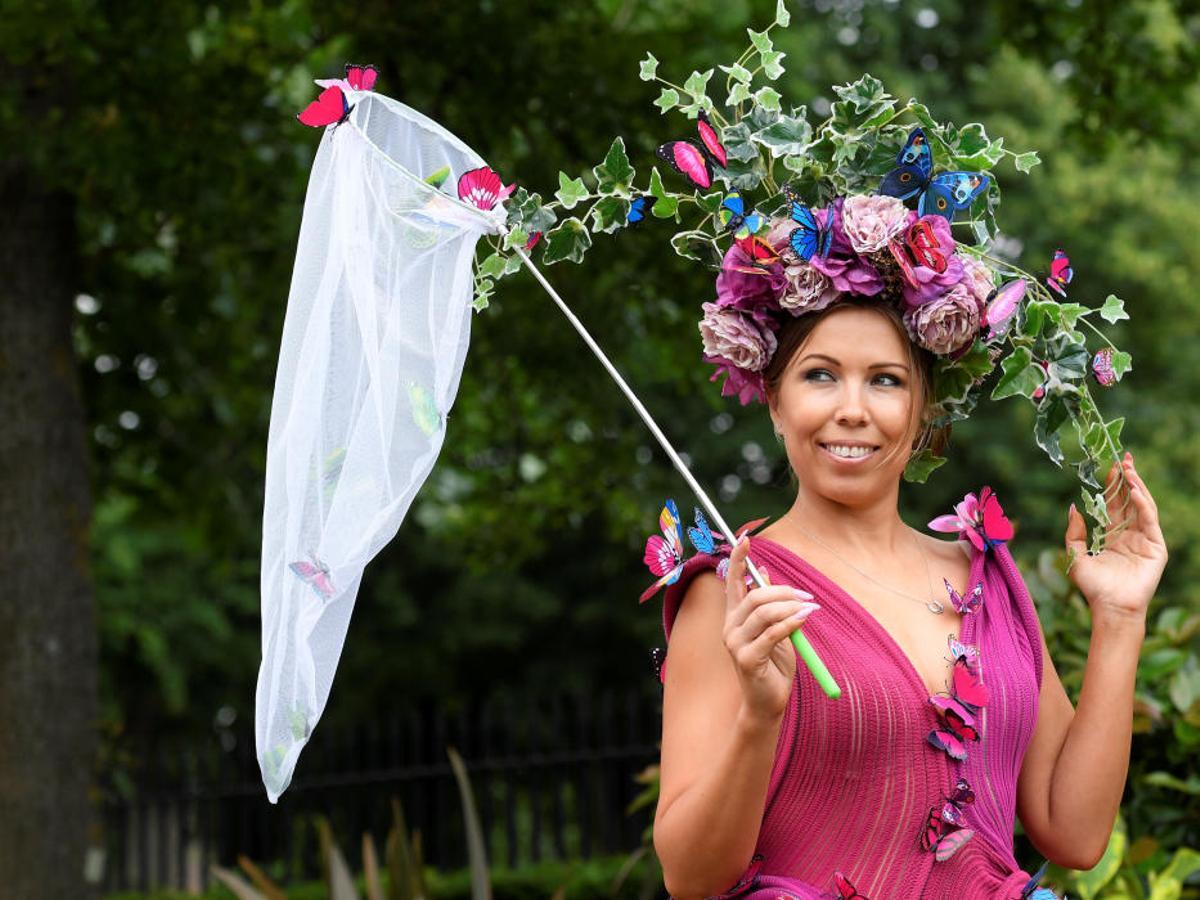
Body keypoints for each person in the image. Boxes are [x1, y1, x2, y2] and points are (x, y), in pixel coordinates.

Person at [649, 292, 1168, 899]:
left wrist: (1120, 617)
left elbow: (1074, 833)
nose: (851, 409)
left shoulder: (989, 581)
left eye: (885, 381)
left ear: (922, 408)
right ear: (775, 401)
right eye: (820, 375)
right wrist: (759, 718)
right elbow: (689, 877)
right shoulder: (735, 597)